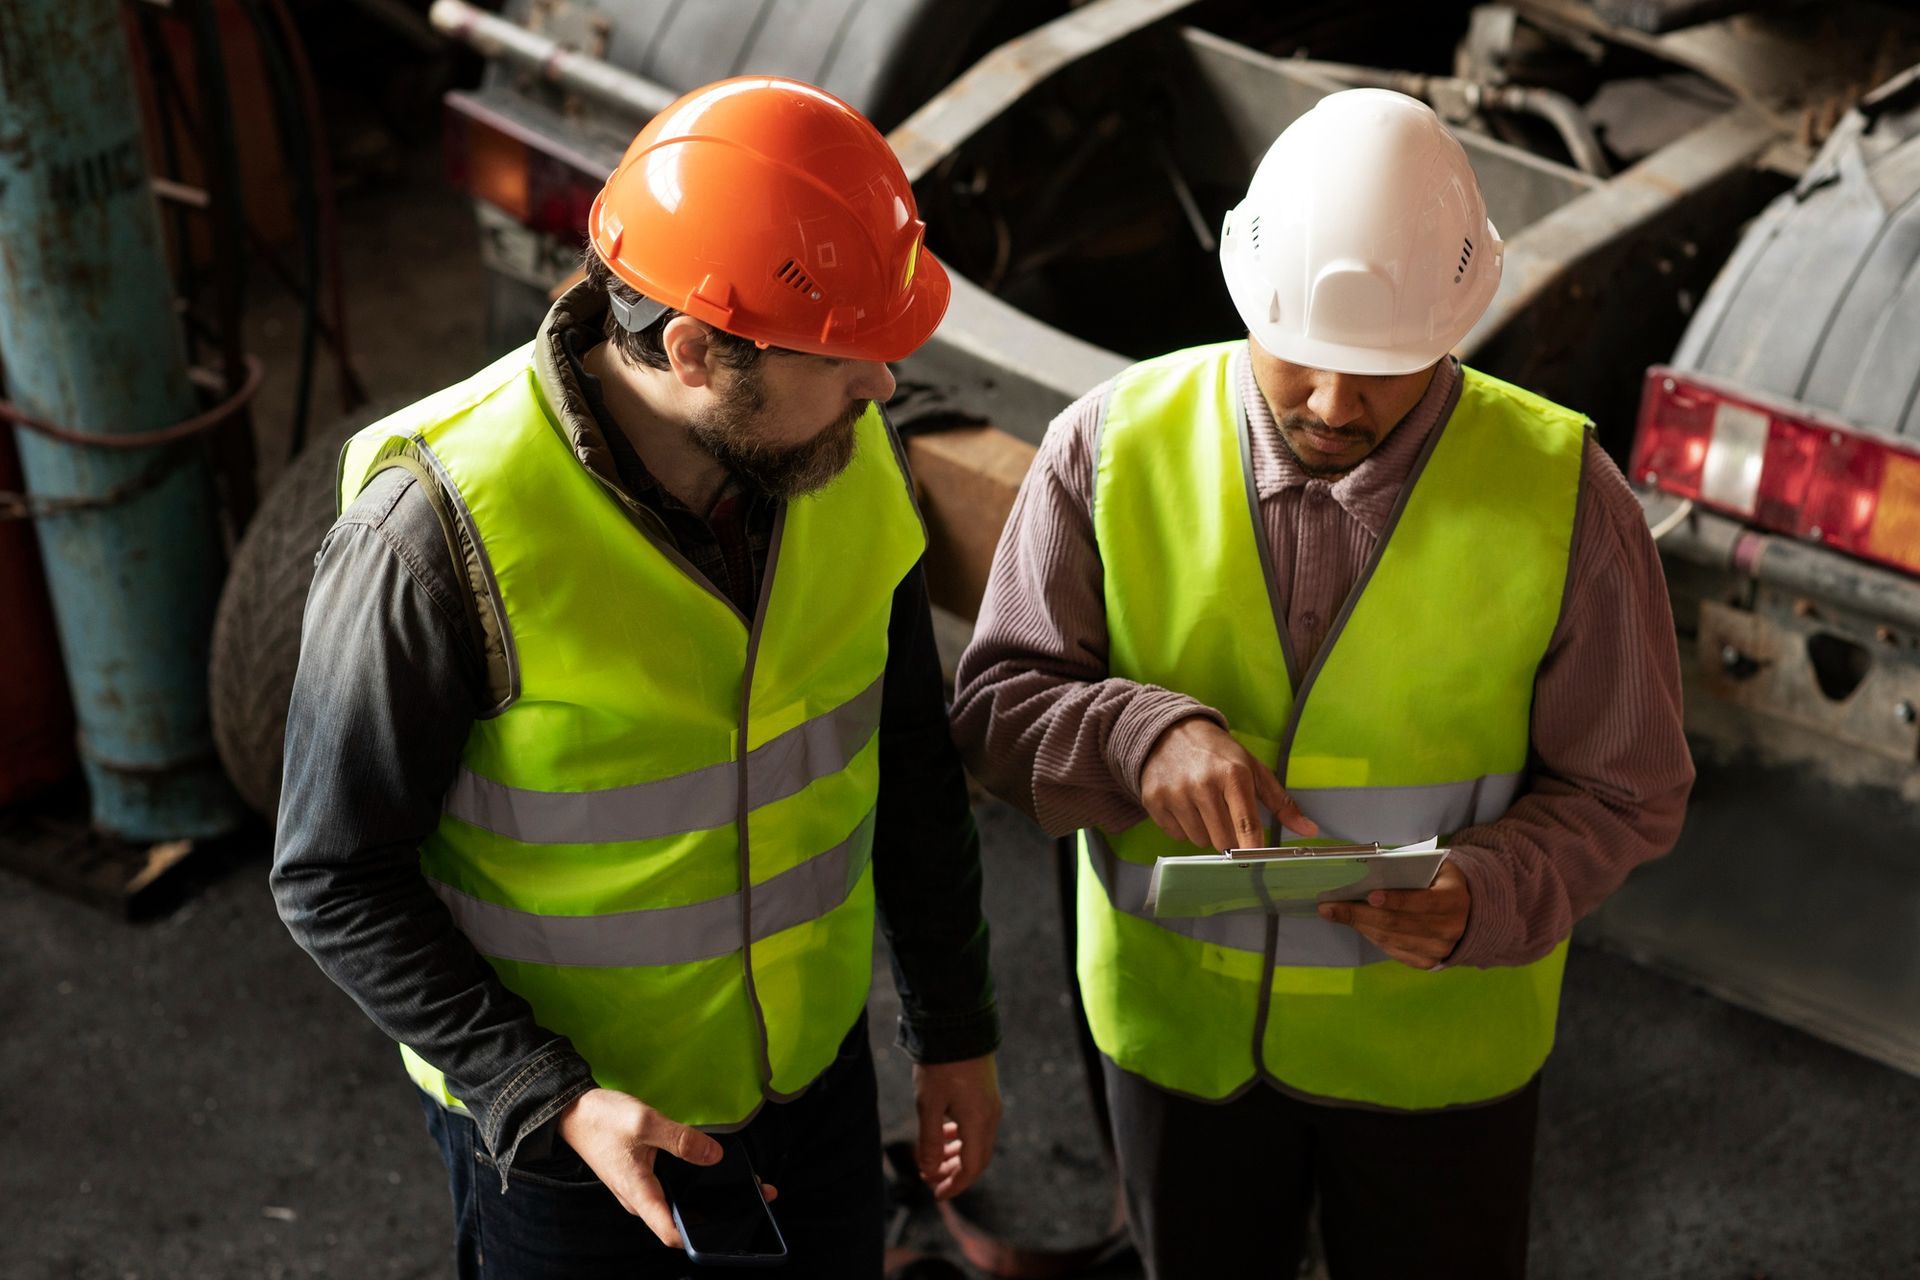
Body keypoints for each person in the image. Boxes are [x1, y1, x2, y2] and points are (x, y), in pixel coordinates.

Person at [952, 88, 1693, 1279]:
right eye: (1305, 359)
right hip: (1179, 1047)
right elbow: (996, 715)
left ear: (1454, 329)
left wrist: (1491, 890)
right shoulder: (1111, 443)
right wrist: (1139, 736)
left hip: (1435, 1065)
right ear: (1247, 295)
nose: (1335, 405)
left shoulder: (1567, 498)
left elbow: (1632, 791)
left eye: (1384, 370)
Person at [272, 76, 1000, 1279]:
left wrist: (954, 1027)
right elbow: (333, 872)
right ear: (695, 350)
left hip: (811, 1087)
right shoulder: (438, 530)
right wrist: (540, 1092)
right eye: (843, 361)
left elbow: (910, 761)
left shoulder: (839, 455)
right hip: (577, 1139)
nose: (882, 392)